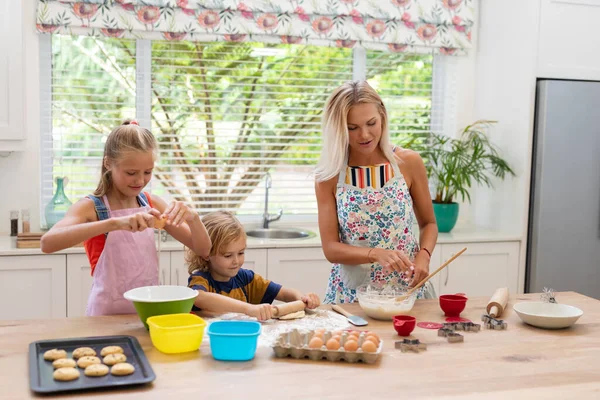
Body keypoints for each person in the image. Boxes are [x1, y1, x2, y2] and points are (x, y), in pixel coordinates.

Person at [41, 119, 211, 315]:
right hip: (105, 317)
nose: (140, 180)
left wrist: (193, 218)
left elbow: (203, 249)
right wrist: (114, 224)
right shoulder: (90, 207)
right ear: (108, 164)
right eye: (131, 173)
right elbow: (47, 243)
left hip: (149, 313)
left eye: (147, 172)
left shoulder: (151, 203)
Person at [314, 81, 438, 304]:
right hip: (352, 297)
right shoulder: (329, 175)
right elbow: (330, 248)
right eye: (352, 128)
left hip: (408, 291)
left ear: (382, 116)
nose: (364, 134)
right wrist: (375, 254)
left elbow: (429, 224)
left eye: (371, 123)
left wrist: (424, 256)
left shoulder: (408, 162)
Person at [187, 211, 320, 321]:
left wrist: (303, 298)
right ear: (206, 254)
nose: (236, 261)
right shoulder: (200, 279)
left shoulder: (246, 278)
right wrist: (248, 309)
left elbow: (285, 294)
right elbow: (199, 297)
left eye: (241, 253)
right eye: (228, 256)